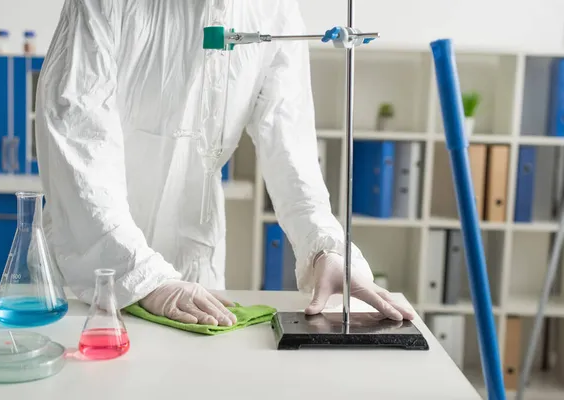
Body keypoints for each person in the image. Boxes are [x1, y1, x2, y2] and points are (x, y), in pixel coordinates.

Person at [35, 0, 415, 327]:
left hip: (196, 264)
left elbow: (290, 149)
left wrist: (326, 248)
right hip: (96, 268)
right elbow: (77, 133)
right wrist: (141, 276)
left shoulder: (273, 9)